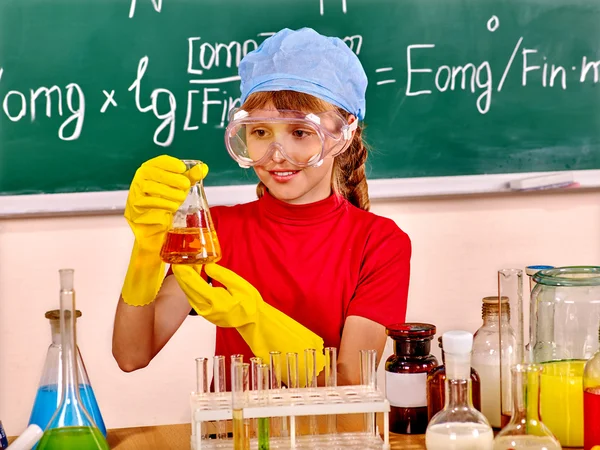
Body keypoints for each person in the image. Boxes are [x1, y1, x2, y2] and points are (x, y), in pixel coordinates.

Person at [112, 27, 411, 386]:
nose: (276, 156)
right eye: (259, 133)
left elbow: (349, 385)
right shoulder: (215, 230)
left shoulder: (380, 243)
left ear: (344, 134)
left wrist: (256, 319)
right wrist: (147, 250)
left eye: (300, 133)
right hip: (233, 436)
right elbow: (132, 355)